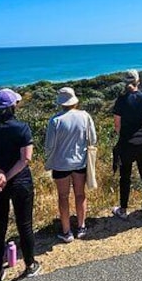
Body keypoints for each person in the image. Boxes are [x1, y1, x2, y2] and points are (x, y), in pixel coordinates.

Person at [0, 89, 41, 281]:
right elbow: (26, 159)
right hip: (20, 181)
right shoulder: (22, 128)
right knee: (25, 225)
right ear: (12, 107)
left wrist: (0, 174)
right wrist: (9, 175)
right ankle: (30, 265)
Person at [44, 87, 97, 242]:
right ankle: (81, 227)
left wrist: (49, 159)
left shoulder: (55, 121)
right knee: (80, 195)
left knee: (63, 196)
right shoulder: (85, 116)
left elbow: (49, 146)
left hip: (60, 164)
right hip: (80, 162)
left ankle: (66, 232)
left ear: (60, 103)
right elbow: (92, 139)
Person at [111, 70, 142, 220]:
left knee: (125, 176)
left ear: (125, 82)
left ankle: (123, 210)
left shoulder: (121, 100)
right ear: (138, 81)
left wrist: (123, 133)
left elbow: (117, 125)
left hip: (126, 143)